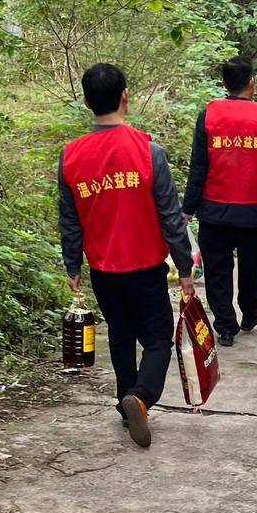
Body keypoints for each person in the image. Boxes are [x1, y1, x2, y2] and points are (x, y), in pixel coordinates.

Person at [58, 62, 194, 449]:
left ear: (86, 101)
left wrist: (72, 264)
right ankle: (142, 396)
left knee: (120, 334)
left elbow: (69, 218)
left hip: (103, 267)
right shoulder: (148, 151)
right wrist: (184, 266)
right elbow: (171, 216)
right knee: (156, 338)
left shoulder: (70, 157)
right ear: (125, 96)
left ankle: (125, 400)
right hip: (146, 265)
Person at [182, 55, 257, 348]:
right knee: (252, 266)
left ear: (223, 84)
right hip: (251, 211)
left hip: (213, 209)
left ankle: (225, 326)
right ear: (252, 83)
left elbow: (199, 166)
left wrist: (188, 208)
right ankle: (251, 312)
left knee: (217, 269)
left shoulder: (209, 115)